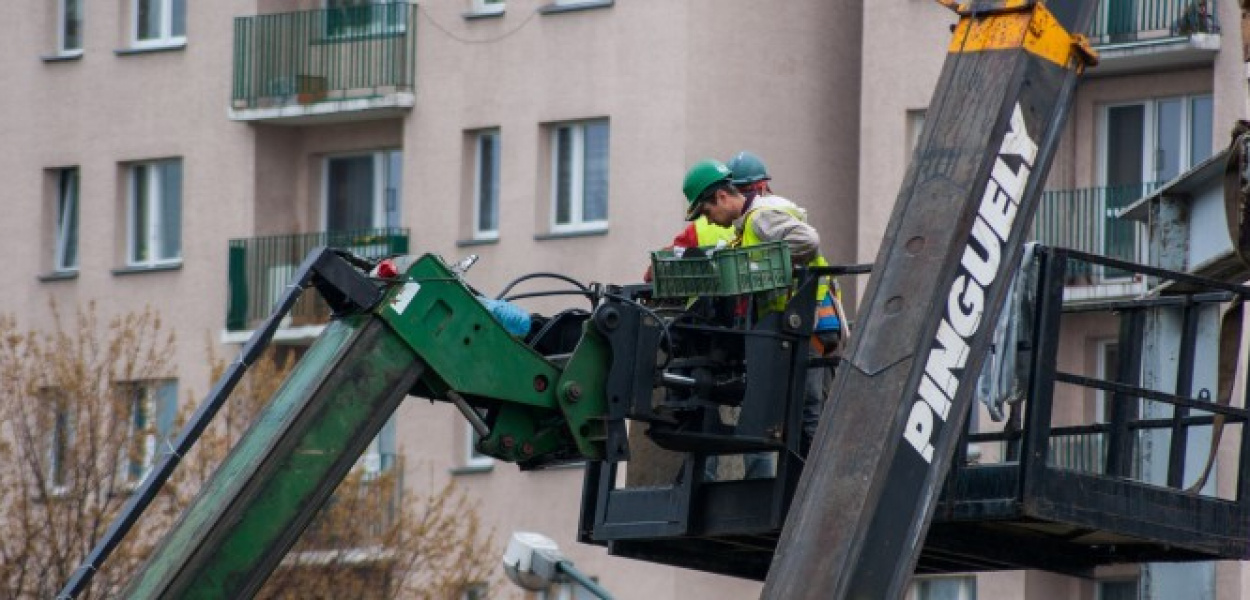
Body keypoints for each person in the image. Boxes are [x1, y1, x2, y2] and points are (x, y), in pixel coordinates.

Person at [681, 156, 840, 476]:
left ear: (722, 197)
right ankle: (806, 478)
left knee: (806, 406)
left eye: (708, 211)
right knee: (794, 405)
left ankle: (811, 481)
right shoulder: (748, 223)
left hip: (804, 319)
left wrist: (771, 263)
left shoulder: (758, 219)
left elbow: (808, 242)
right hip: (790, 322)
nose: (709, 221)